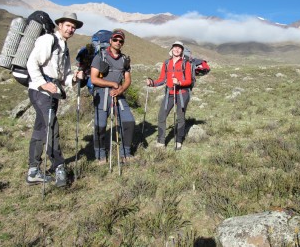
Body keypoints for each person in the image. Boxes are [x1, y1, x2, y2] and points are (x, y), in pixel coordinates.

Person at [26, 12, 84, 187]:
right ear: (60, 25)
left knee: (41, 128)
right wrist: (43, 84)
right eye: (68, 25)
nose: (71, 29)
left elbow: (64, 75)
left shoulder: (63, 46)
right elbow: (31, 63)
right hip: (41, 91)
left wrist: (73, 78)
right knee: (52, 126)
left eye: (73, 27)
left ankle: (33, 170)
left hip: (52, 92)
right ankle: (59, 166)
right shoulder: (48, 40)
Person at [90, 30, 136, 164]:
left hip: (118, 93)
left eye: (121, 41)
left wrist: (121, 89)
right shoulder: (100, 56)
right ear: (110, 40)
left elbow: (127, 79)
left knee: (129, 121)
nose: (118, 42)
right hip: (102, 93)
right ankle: (100, 156)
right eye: (115, 39)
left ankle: (126, 153)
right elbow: (94, 79)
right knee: (101, 125)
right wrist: (112, 84)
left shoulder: (124, 60)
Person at [146, 41, 192, 150]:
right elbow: (162, 79)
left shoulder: (186, 63)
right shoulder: (166, 63)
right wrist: (152, 83)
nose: (177, 49)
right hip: (169, 93)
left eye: (179, 48)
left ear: (182, 51)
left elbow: (189, 80)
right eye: (175, 47)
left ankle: (178, 141)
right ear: (172, 49)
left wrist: (179, 82)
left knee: (180, 118)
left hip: (182, 93)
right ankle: (161, 142)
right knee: (162, 116)